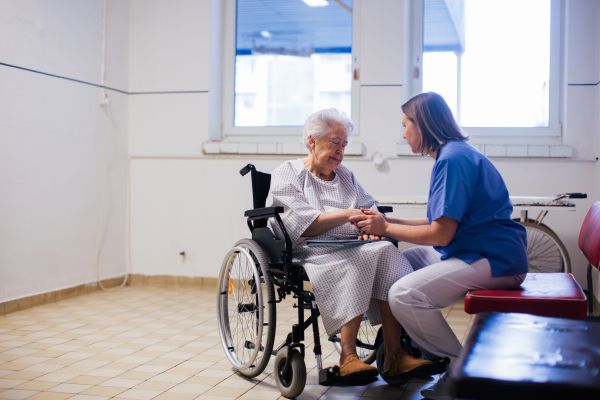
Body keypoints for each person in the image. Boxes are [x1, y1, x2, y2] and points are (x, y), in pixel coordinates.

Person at [350, 92, 528, 399]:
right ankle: (417, 347)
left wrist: (386, 228)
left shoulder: (454, 160)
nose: (403, 133)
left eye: (406, 125)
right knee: (406, 261)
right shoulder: (451, 154)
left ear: (423, 125)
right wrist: (386, 222)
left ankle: (459, 370)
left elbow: (441, 234)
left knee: (404, 294)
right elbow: (435, 221)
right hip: (475, 250)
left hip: (495, 259)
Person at [266, 108, 433, 382]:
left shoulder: (345, 176)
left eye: (344, 145)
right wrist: (348, 214)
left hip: (352, 247)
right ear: (312, 140)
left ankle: (395, 354)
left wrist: (372, 226)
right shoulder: (289, 173)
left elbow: (371, 209)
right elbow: (300, 224)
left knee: (387, 251)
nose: (340, 151)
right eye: (335, 143)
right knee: (365, 258)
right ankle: (348, 357)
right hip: (310, 250)